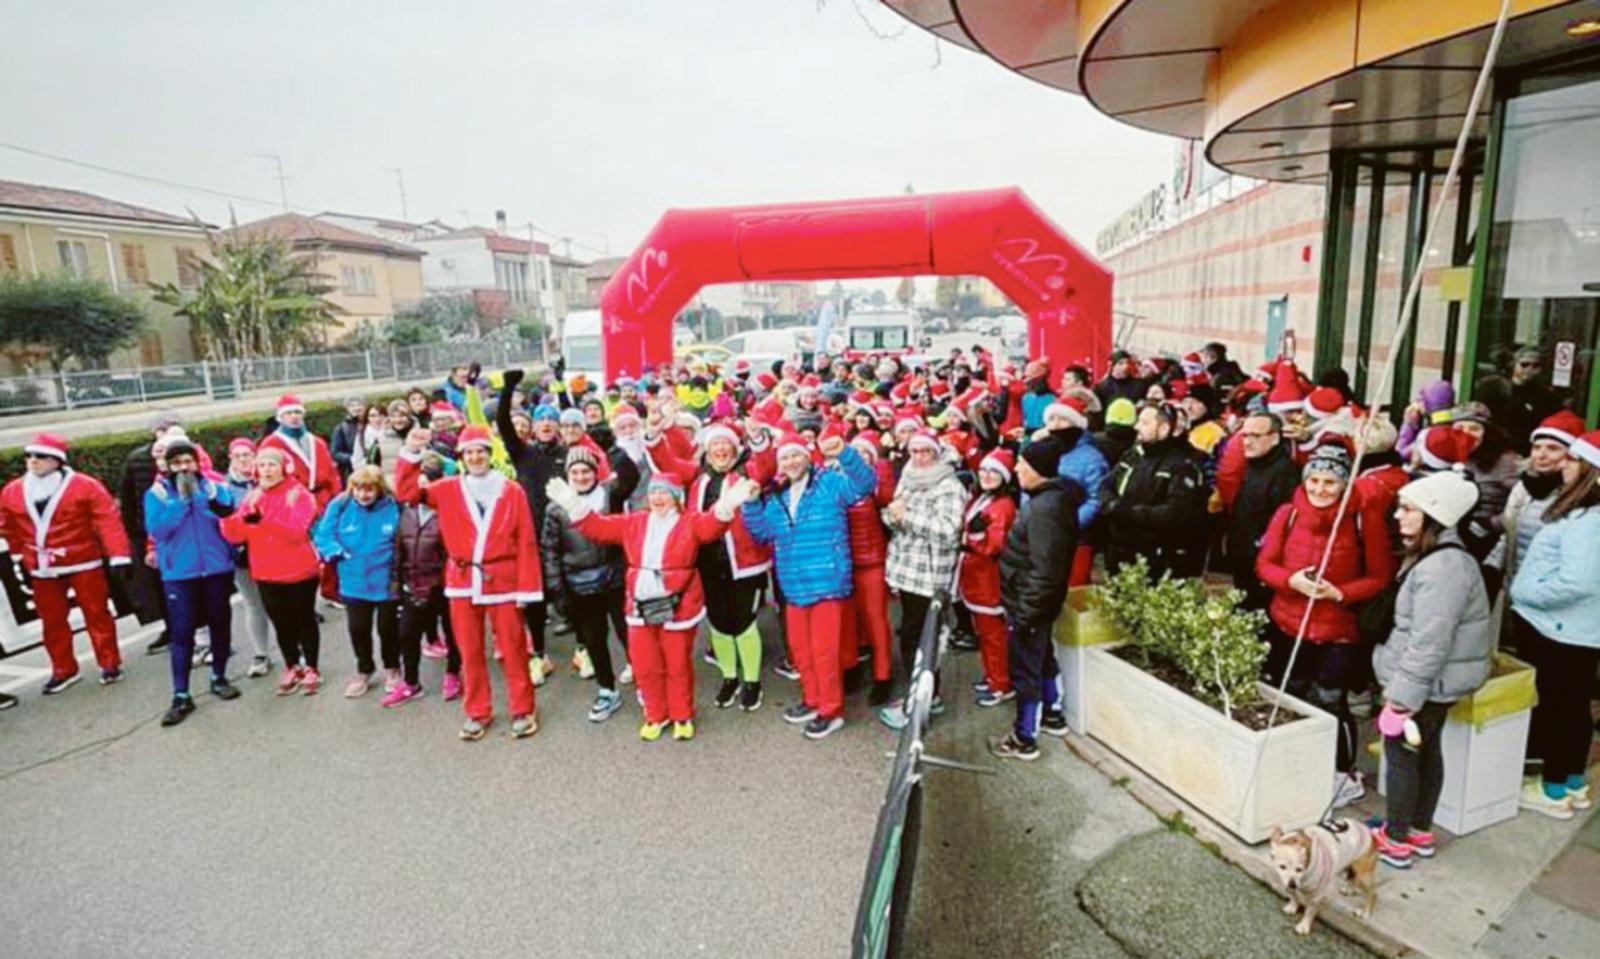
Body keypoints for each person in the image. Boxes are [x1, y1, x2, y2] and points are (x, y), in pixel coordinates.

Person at [547, 471, 750, 742]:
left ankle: (681, 715)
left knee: (677, 665)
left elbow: (711, 526)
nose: (657, 498)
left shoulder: (689, 522)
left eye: (664, 492)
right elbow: (599, 528)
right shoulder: (635, 521)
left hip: (678, 606)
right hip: (639, 606)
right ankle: (656, 714)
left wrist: (726, 506)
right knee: (645, 666)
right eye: (654, 492)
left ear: (677, 498)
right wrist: (573, 504)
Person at [1256, 444, 1394, 804]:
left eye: (1330, 482)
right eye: (1314, 480)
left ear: (1345, 484)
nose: (1320, 489)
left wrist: (1341, 593)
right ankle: (1292, 764)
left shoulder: (1365, 519)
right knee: (1291, 696)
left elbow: (1380, 577)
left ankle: (1341, 773)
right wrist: (1291, 581)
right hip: (1289, 624)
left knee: (1332, 702)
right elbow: (1265, 564)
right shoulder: (1287, 514)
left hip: (1339, 631)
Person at [1370, 470, 1492, 868]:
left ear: (1434, 515)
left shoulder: (1442, 568)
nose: (1398, 517)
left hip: (1424, 684)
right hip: (1436, 683)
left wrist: (1402, 698)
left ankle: (1396, 838)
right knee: (1425, 752)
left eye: (1409, 509)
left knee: (1404, 755)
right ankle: (1418, 830)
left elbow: (1429, 641)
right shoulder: (1440, 557)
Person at [396, 425, 543, 741]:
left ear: (490, 455)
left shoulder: (511, 490)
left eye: (481, 451)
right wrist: (410, 454)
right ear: (461, 457)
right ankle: (478, 711)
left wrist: (527, 589)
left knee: (514, 649)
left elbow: (527, 542)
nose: (475, 457)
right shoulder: (447, 488)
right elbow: (407, 493)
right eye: (469, 452)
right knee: (469, 650)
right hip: (462, 579)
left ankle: (523, 708)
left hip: (503, 579)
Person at [741, 431, 877, 741]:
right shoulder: (777, 497)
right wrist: (750, 505)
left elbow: (865, 485)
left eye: (796, 455)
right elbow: (762, 533)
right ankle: (813, 699)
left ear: (808, 456)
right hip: (794, 585)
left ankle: (831, 711)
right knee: (801, 651)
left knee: (824, 652)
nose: (790, 461)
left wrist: (845, 454)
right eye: (785, 457)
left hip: (828, 581)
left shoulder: (830, 483)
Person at [1509, 428, 1600, 819]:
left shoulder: (1588, 522)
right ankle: (1574, 782)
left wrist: (1526, 592)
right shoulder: (1586, 516)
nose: (1564, 463)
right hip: (1576, 628)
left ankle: (1553, 787)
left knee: (1561, 706)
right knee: (1575, 705)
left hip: (1564, 630)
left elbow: (1577, 580)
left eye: (1573, 459)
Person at [0, 433, 132, 694]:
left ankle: (109, 662)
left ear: (57, 461)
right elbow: (8, 527)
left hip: (83, 561)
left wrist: (118, 555)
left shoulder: (85, 486)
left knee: (97, 614)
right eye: (29, 456)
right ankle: (63, 669)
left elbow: (107, 521)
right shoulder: (13, 491)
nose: (33, 461)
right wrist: (18, 557)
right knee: (51, 621)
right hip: (41, 566)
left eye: (40, 456)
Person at [992, 435, 1080, 761]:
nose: (1016, 468)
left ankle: (1023, 737)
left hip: (1030, 606)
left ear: (1038, 470)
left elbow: (1045, 570)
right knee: (1042, 660)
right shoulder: (1049, 501)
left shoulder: (1045, 509)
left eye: (1022, 464)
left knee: (1025, 670)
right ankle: (1053, 714)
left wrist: (1026, 612)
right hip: (1035, 604)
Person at [144, 438, 240, 727]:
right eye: (176, 463)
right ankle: (181, 693)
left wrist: (209, 498)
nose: (183, 468)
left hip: (215, 568)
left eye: (188, 461)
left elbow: (230, 511)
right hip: (180, 573)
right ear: (167, 466)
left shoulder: (212, 486)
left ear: (197, 462)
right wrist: (180, 505)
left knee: (220, 622)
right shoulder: (158, 493)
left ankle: (219, 677)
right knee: (182, 632)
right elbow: (157, 531)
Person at [542, 445, 639, 723]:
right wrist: (557, 592)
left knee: (629, 634)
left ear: (596, 472)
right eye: (575, 471)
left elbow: (630, 475)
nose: (582, 476)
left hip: (617, 579)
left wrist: (613, 443)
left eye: (586, 471)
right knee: (595, 641)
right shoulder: (556, 507)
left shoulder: (611, 494)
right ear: (567, 475)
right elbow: (550, 551)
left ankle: (645, 681)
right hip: (579, 585)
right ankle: (607, 690)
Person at [880, 429, 969, 729]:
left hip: (930, 577)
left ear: (937, 453)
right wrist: (892, 516)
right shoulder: (908, 476)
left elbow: (947, 532)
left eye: (925, 451)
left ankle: (924, 701)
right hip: (907, 572)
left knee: (921, 642)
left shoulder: (949, 486)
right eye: (914, 451)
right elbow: (895, 514)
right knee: (911, 636)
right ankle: (921, 695)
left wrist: (905, 517)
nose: (918, 457)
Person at [219, 448, 324, 696]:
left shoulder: (298, 494)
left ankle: (312, 666)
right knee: (281, 623)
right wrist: (226, 518)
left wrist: (264, 520)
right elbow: (236, 536)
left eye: (272, 465)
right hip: (266, 571)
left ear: (283, 468)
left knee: (304, 620)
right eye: (263, 465)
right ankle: (292, 665)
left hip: (299, 570)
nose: (266, 469)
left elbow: (298, 532)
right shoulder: (252, 496)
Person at [684, 421, 773, 712]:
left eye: (726, 445)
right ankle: (729, 677)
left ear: (736, 449)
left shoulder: (747, 476)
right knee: (719, 623)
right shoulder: (698, 483)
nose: (720, 450)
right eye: (715, 446)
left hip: (745, 564)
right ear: (707, 452)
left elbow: (767, 465)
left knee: (744, 622)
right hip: (709, 565)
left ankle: (751, 681)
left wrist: (758, 436)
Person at [495, 372, 567, 684]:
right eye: (541, 420)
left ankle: (583, 648)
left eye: (552, 420)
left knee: (570, 594)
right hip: (530, 537)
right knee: (534, 599)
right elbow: (503, 424)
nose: (546, 424)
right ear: (535, 427)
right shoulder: (524, 453)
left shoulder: (569, 455)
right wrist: (508, 388)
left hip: (564, 535)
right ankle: (539, 653)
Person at [1485, 411, 1584, 621]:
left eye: (1553, 448)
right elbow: (1509, 533)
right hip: (1515, 590)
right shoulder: (1523, 487)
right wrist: (1492, 566)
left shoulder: (1576, 498)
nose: (1541, 455)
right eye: (1537, 447)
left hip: (1551, 604)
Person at [314, 466, 402, 699]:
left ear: (379, 488)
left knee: (387, 628)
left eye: (369, 489)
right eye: (359, 489)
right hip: (353, 581)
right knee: (358, 629)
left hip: (385, 581)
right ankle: (364, 670)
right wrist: (335, 552)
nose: (364, 495)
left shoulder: (394, 506)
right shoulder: (340, 505)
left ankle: (393, 668)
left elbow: (405, 538)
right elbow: (323, 534)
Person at [1100, 403, 1209, 581]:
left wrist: (1132, 512)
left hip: (1156, 554)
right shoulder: (1132, 455)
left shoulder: (1181, 465)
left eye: (1144, 423)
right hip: (1119, 546)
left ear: (1163, 428)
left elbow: (1177, 511)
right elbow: (1106, 485)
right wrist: (1111, 504)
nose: (1137, 427)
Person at [394, 451, 459, 706]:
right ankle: (411, 682)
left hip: (445, 584)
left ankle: (453, 673)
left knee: (454, 632)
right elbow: (398, 550)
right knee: (407, 635)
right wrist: (398, 585)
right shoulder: (404, 512)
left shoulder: (449, 509)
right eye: (418, 482)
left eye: (427, 482)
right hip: (415, 584)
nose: (422, 488)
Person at [957, 449, 1019, 707]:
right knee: (986, 634)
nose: (986, 475)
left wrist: (971, 540)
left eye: (993, 471)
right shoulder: (983, 498)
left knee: (993, 635)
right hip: (976, 578)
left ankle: (1001, 684)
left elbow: (993, 546)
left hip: (987, 581)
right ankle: (994, 676)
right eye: (983, 470)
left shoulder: (1002, 506)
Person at [843, 431, 897, 707]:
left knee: (876, 619)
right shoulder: (837, 483)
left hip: (872, 561)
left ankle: (883, 675)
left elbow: (887, 497)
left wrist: (883, 464)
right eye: (854, 453)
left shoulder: (876, 484)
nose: (859, 458)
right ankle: (851, 667)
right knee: (849, 620)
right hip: (844, 563)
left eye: (864, 454)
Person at [1226, 412, 1301, 612]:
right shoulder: (1254, 465)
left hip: (1263, 566)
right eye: (1245, 435)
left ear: (1274, 437)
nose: (1247, 442)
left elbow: (1285, 523)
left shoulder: (1285, 473)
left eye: (1255, 436)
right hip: (1243, 558)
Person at [222, 439, 273, 678]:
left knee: (281, 604)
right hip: (242, 555)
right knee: (253, 604)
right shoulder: (223, 488)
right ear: (230, 459)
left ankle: (296, 651)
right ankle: (261, 653)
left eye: (248, 454)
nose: (243, 460)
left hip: (273, 550)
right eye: (238, 456)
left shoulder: (268, 480)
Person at [259, 394, 342, 512]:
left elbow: (332, 474)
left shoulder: (317, 443)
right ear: (280, 417)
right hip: (291, 506)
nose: (294, 416)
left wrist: (336, 500)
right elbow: (264, 478)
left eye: (297, 412)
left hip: (324, 503)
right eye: (289, 413)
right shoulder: (271, 444)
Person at [328, 397, 367, 483]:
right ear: (347, 408)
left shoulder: (371, 424)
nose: (356, 408)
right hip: (353, 471)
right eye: (352, 405)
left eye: (359, 404)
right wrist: (352, 458)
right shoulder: (341, 428)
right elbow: (335, 453)